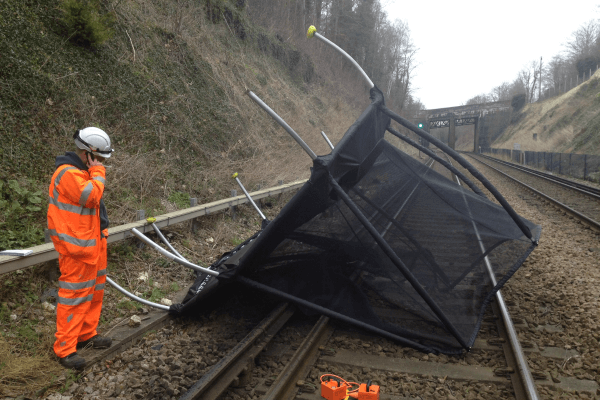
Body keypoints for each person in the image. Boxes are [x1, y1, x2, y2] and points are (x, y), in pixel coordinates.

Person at [47, 127, 114, 369]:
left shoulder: (81, 172)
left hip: (92, 243)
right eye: (101, 158)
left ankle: (87, 334)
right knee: (73, 297)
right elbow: (91, 197)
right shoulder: (68, 174)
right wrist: (98, 171)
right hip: (76, 249)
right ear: (89, 154)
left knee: (93, 293)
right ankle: (65, 349)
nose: (104, 163)